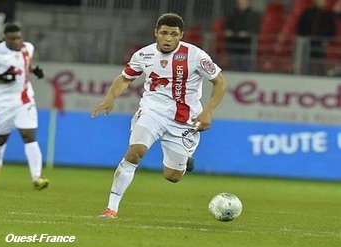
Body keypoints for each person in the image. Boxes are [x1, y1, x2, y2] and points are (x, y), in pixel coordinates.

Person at [91, 13, 226, 219]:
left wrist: (208, 111)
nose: (168, 38)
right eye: (164, 33)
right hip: (152, 112)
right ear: (156, 33)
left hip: (183, 121)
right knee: (135, 152)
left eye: (173, 34)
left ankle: (186, 158)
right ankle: (111, 208)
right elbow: (125, 78)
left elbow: (219, 82)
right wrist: (110, 97)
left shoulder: (196, 56)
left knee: (172, 177)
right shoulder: (143, 55)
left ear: (181, 35)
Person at [0, 23, 49, 189]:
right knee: (2, 138)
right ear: (4, 38)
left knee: (29, 135)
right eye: (12, 39)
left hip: (24, 99)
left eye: (18, 38)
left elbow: (24, 64)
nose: (16, 41)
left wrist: (34, 70)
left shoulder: (28, 48)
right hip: (1, 102)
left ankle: (37, 177)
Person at [297, 0, 336, 75]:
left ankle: (320, 75)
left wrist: (327, 40)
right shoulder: (308, 12)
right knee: (306, 60)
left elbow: (332, 30)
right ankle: (305, 74)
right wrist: (304, 37)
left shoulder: (328, 15)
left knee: (319, 61)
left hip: (321, 43)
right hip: (308, 42)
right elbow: (301, 26)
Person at [224, 0, 260, 71]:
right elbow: (227, 26)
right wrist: (228, 31)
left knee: (245, 65)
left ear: (248, 2)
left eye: (243, 1)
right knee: (234, 65)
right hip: (234, 43)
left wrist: (247, 33)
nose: (241, 3)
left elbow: (255, 28)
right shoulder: (233, 14)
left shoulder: (254, 15)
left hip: (247, 44)